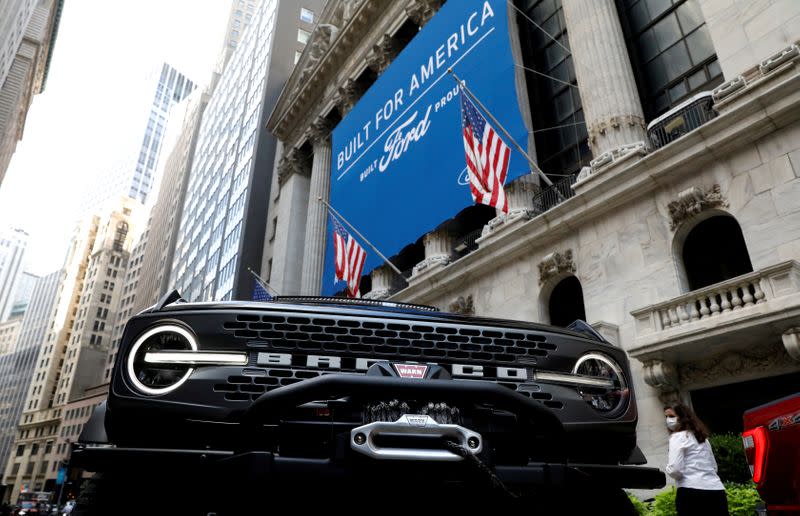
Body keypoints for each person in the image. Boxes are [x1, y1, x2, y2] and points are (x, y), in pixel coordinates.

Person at [664, 403, 729, 515]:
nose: (668, 420)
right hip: (716, 491)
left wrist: (668, 468)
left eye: (671, 416)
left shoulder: (677, 437)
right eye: (666, 417)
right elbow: (714, 467)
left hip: (690, 491)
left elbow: (675, 469)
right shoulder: (703, 438)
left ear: (682, 417)